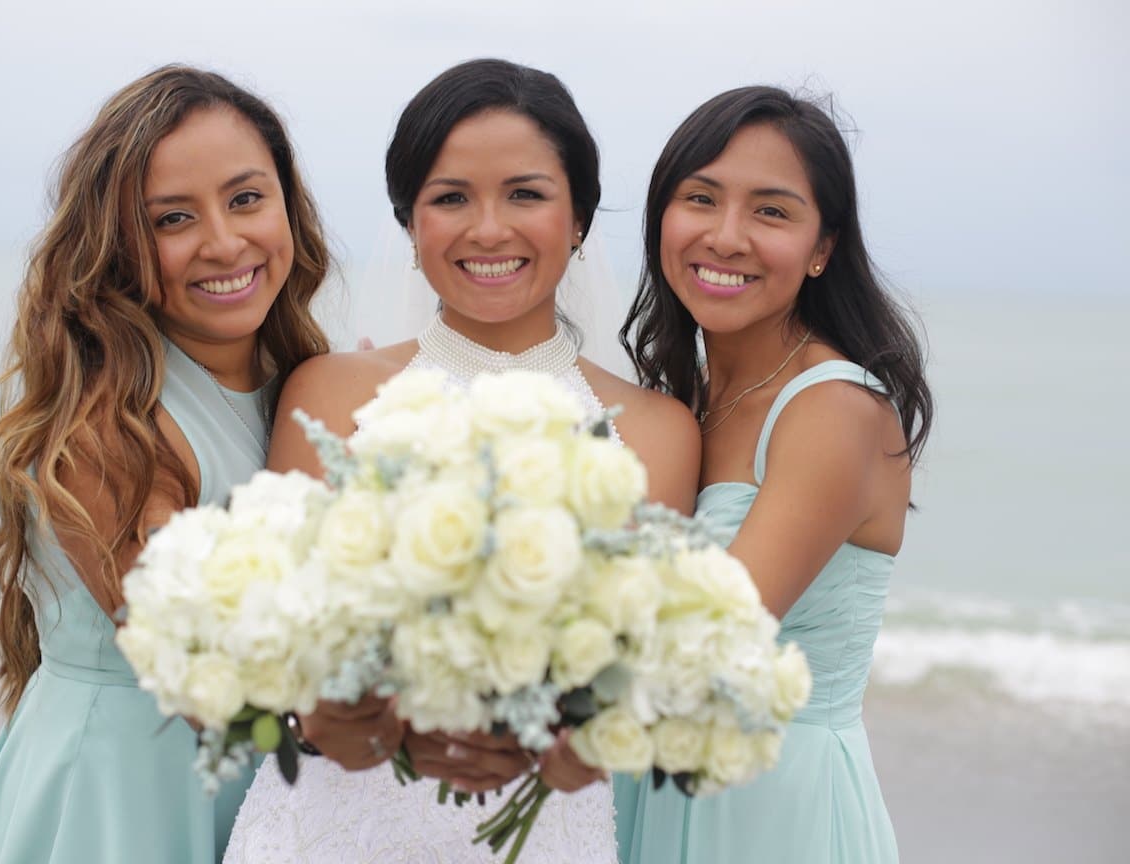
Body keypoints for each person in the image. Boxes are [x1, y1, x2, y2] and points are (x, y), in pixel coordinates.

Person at [223, 58, 701, 863]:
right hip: (329, 828)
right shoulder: (332, 392)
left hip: (541, 829)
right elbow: (277, 639)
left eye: (526, 194)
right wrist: (392, 726)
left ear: (578, 217)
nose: (488, 229)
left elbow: (641, 671)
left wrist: (553, 740)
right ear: (410, 224)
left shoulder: (657, 430)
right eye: (450, 198)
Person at [0, 65, 329, 864]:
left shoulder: (308, 387)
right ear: (116, 244)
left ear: (286, 204)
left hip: (268, 786)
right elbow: (203, 657)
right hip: (125, 796)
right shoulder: (107, 429)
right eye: (172, 218)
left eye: (245, 199)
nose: (224, 242)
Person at [613, 86, 933, 863]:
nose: (726, 237)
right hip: (649, 786)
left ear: (823, 247)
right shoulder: (678, 406)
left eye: (771, 211)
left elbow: (710, 640)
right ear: (663, 218)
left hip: (773, 813)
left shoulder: (835, 410)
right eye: (701, 199)